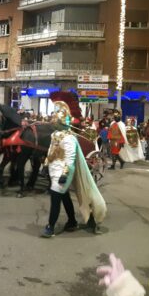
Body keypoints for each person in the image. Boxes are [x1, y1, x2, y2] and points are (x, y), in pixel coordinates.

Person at [41, 98, 107, 238]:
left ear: (62, 123)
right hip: (54, 170)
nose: (53, 124)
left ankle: (50, 227)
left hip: (63, 172)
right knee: (64, 197)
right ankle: (71, 221)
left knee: (55, 199)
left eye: (56, 122)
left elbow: (70, 160)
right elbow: (51, 151)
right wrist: (46, 164)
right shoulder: (55, 135)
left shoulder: (70, 138)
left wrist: (64, 174)